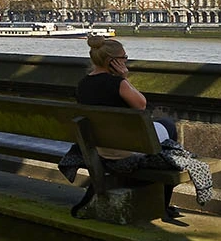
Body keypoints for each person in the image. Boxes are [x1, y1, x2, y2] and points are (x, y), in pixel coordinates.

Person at [75, 35, 196, 219]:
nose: (126, 61)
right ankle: (164, 202)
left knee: (161, 127)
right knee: (168, 127)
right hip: (124, 149)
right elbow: (141, 104)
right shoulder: (119, 84)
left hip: (99, 147)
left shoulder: (83, 84)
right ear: (113, 62)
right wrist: (124, 77)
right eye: (124, 58)